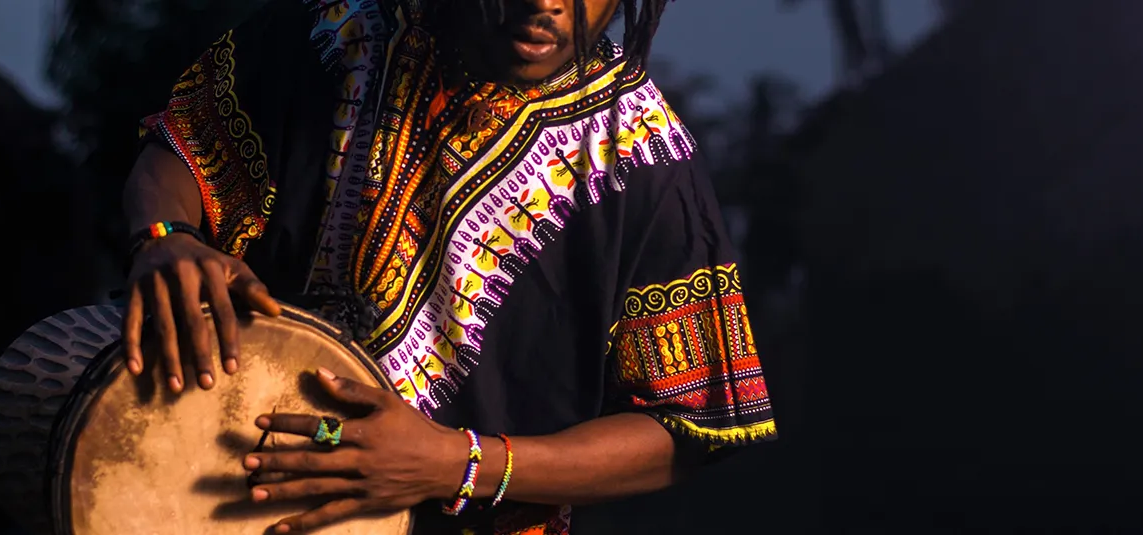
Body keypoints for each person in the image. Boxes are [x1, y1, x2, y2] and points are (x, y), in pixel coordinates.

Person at [120, 0, 777, 532]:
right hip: (222, 492)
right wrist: (165, 234)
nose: (544, 4)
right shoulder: (335, 33)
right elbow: (180, 150)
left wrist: (456, 463)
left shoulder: (644, 160)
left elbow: (692, 425)